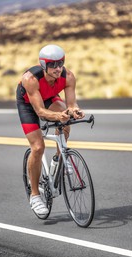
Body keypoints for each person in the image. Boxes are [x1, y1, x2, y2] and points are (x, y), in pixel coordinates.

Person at [16, 44, 85, 217]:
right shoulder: (30, 79)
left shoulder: (68, 76)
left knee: (66, 117)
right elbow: (39, 112)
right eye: (52, 64)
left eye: (60, 63)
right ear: (43, 64)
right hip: (29, 104)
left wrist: (73, 111)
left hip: (49, 98)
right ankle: (35, 195)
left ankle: (59, 158)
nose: (58, 68)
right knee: (38, 148)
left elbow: (70, 104)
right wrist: (58, 116)